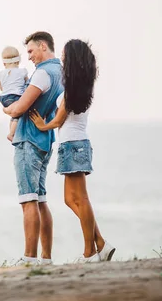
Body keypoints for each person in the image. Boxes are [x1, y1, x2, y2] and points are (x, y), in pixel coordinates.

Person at [29, 39, 115, 262]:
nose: (63, 58)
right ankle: (100, 243)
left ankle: (90, 251)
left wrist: (42, 125)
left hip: (72, 145)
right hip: (76, 145)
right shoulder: (81, 85)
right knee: (72, 199)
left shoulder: (73, 90)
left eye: (66, 56)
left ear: (73, 59)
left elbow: (58, 120)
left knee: (80, 199)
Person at [3, 31, 64, 265]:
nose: (28, 57)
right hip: (45, 139)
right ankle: (45, 258)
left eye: (30, 51)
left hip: (29, 140)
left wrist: (7, 110)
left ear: (42, 46)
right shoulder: (60, 72)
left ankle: (29, 258)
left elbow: (19, 107)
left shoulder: (42, 73)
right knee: (40, 199)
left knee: (28, 199)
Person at [0, 46, 28, 142]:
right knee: (18, 115)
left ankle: (11, 132)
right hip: (15, 96)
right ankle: (11, 134)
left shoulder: (1, 73)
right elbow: (28, 85)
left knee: (13, 116)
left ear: (3, 63)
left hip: (3, 97)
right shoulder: (22, 71)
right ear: (18, 61)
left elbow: (1, 87)